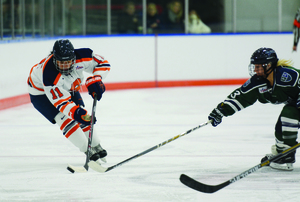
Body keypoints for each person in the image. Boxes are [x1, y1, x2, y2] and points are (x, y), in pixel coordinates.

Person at [208, 47, 298, 171]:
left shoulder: (288, 75)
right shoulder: (258, 82)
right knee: (281, 126)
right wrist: (221, 110)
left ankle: (287, 154)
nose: (255, 69)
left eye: (259, 66)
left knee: (289, 113)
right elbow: (241, 96)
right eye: (254, 66)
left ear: (270, 65)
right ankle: (283, 154)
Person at [27, 39, 110, 165]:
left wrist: (96, 78)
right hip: (41, 94)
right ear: (54, 59)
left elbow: (103, 63)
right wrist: (76, 113)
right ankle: (86, 151)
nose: (65, 66)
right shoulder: (49, 75)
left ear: (74, 58)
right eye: (61, 63)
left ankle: (96, 145)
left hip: (67, 86)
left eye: (68, 62)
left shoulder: (82, 56)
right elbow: (62, 103)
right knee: (65, 118)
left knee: (83, 115)